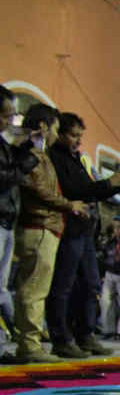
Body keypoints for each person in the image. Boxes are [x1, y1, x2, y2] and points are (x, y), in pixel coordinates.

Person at [46, 112, 120, 358]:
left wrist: (118, 184)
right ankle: (61, 339)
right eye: (73, 135)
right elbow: (74, 190)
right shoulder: (55, 159)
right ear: (58, 133)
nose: (77, 141)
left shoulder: (76, 159)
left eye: (80, 136)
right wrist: (108, 184)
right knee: (63, 286)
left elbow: (91, 192)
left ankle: (86, 335)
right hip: (68, 229)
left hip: (85, 232)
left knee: (91, 284)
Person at [13, 104, 89, 362]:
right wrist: (70, 205)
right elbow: (40, 190)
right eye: (56, 129)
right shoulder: (32, 154)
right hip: (39, 226)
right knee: (34, 288)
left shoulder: (38, 154)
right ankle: (30, 345)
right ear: (44, 127)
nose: (57, 135)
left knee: (34, 287)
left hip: (46, 226)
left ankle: (30, 342)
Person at [0, 86, 39, 354]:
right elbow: (5, 177)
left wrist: (26, 147)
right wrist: (25, 164)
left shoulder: (3, 145)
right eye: (5, 116)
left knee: (1, 286)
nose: (9, 122)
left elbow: (11, 165)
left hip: (7, 221)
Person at [98, 216, 120, 339]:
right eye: (115, 227)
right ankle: (108, 329)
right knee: (106, 301)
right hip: (109, 273)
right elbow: (104, 257)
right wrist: (102, 273)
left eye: (119, 227)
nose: (116, 230)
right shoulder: (110, 243)